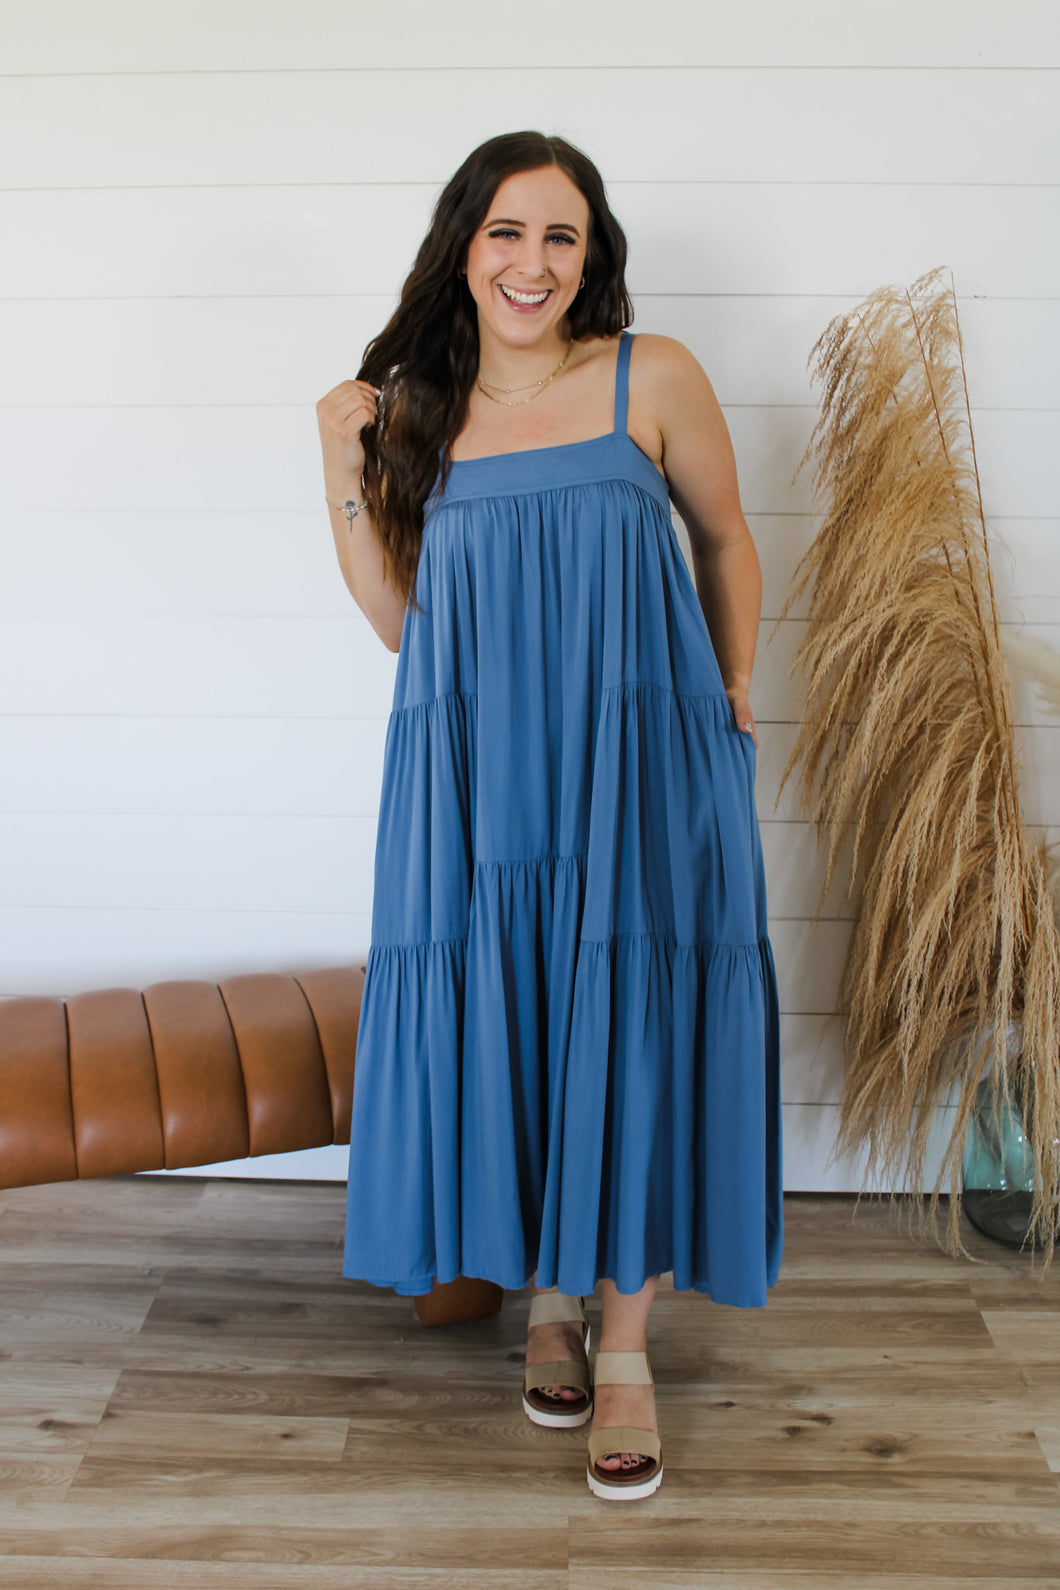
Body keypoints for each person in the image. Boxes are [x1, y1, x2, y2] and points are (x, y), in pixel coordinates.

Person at [316, 130, 782, 1502]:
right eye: (507, 232)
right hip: (482, 774)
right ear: (465, 247)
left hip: (642, 762)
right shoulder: (419, 406)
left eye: (561, 235)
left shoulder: (651, 375)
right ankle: (550, 1301)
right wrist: (338, 466)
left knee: (629, 1019)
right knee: (519, 1010)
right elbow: (404, 622)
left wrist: (736, 682)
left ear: (591, 257)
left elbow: (726, 536)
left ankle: (624, 1346)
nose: (533, 262)